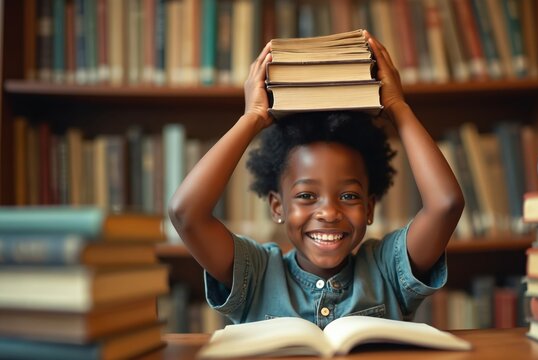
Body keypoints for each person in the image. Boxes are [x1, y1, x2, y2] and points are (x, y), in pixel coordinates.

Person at [168, 32, 464, 328]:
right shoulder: (256, 275)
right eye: (307, 196)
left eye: (349, 196)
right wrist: (253, 116)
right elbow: (186, 213)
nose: (329, 213)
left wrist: (398, 106)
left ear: (370, 208)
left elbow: (445, 205)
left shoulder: (387, 269)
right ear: (277, 206)